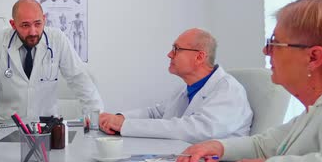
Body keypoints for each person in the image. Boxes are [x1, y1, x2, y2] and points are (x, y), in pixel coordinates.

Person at [175, 0, 322, 162]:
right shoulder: (314, 112)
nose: (265, 51)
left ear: (314, 58)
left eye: (274, 43)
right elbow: (262, 145)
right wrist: (219, 147)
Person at [99, 28, 253, 143]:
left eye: (176, 49)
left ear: (199, 57)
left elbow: (194, 129)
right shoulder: (186, 87)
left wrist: (125, 125)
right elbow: (157, 113)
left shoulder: (229, 91)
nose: (169, 54)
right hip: (182, 159)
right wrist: (119, 118)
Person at [0, 0, 103, 120]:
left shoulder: (57, 40)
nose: (33, 31)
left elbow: (79, 78)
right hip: (6, 125)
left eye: (38, 23)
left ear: (44, 20)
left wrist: (98, 118)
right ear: (13, 24)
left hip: (46, 126)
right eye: (25, 25)